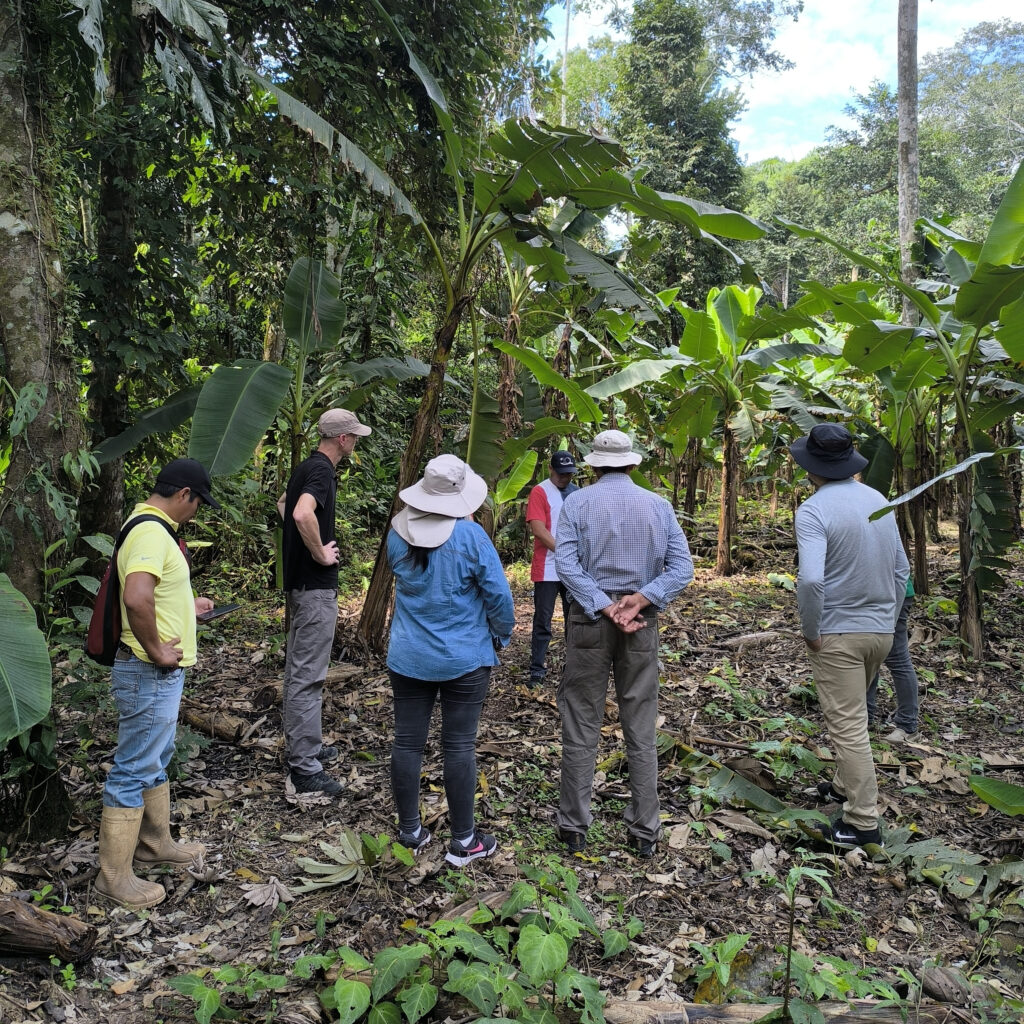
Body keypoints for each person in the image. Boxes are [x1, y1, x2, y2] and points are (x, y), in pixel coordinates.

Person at [554, 430, 694, 857]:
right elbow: (681, 567)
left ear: (593, 464)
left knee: (581, 721)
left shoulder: (577, 502)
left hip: (588, 623)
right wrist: (641, 599)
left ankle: (574, 826)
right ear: (632, 464)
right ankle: (644, 830)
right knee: (640, 722)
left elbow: (566, 562)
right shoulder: (657, 504)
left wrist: (602, 604)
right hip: (641, 623)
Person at [96, 459, 219, 909]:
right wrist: (157, 649)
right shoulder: (150, 531)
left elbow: (155, 590)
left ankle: (154, 845)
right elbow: (136, 596)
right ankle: (114, 878)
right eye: (198, 503)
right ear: (184, 494)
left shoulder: (151, 527)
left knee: (154, 757)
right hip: (149, 672)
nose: (197, 512)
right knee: (133, 768)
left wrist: (189, 604)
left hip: (155, 674)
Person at [385, 454, 514, 866]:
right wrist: (502, 633)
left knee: (407, 743)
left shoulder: (396, 533)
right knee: (458, 746)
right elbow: (498, 597)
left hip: (408, 655)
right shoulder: (471, 537)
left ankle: (410, 831)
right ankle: (465, 841)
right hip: (465, 656)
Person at [791, 423, 909, 848]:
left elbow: (811, 582)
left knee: (849, 727)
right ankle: (842, 787)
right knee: (855, 712)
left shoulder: (813, 510)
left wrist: (811, 631)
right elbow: (901, 570)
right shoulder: (877, 499)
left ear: (812, 468)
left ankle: (861, 822)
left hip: (838, 632)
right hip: (879, 630)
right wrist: (888, 622)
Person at [278, 407, 371, 797]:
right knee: (308, 675)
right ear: (343, 439)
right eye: (354, 437)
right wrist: (317, 553)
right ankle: (304, 768)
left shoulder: (305, 467)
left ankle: (307, 747)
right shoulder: (321, 472)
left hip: (302, 586)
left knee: (301, 669)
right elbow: (300, 513)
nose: (355, 443)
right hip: (314, 588)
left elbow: (284, 503)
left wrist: (301, 549)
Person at [525, 451, 579, 687]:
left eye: (568, 475)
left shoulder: (577, 493)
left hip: (573, 568)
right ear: (551, 469)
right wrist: (564, 550)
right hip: (547, 567)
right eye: (560, 474)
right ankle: (537, 669)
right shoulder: (540, 491)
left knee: (574, 619)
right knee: (543, 620)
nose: (563, 478)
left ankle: (575, 667)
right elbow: (538, 529)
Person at [866, 576, 920, 742]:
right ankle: (864, 717)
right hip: (872, 592)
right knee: (868, 653)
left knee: (897, 657)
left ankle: (907, 725)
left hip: (892, 591)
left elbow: (901, 566)